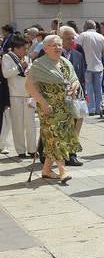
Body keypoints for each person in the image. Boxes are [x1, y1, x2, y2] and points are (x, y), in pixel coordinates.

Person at [26, 35, 81, 184]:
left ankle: (46, 170)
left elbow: (74, 79)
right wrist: (43, 103)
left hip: (65, 107)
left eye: (59, 45)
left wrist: (74, 86)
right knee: (56, 137)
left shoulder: (65, 62)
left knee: (55, 138)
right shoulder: (39, 64)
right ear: (45, 49)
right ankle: (63, 170)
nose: (58, 48)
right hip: (48, 108)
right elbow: (30, 86)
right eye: (53, 45)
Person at [2, 35, 36, 157]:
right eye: (23, 48)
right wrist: (21, 67)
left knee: (30, 123)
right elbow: (6, 73)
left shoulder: (26, 57)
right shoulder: (7, 57)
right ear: (15, 48)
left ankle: (32, 149)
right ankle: (21, 150)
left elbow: (30, 71)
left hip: (28, 94)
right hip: (15, 94)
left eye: (26, 48)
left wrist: (29, 69)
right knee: (18, 124)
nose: (25, 51)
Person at [59, 26, 87, 166]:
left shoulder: (78, 54)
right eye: (68, 38)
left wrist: (83, 95)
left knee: (76, 123)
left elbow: (82, 76)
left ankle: (72, 153)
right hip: (58, 98)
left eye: (73, 38)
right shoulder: (52, 53)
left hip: (75, 97)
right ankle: (48, 151)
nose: (71, 40)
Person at [76, 20, 104, 116]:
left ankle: (91, 109)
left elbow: (77, 49)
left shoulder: (83, 35)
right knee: (98, 88)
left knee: (89, 88)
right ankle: (99, 108)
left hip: (86, 65)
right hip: (98, 65)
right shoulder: (100, 36)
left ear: (85, 26)